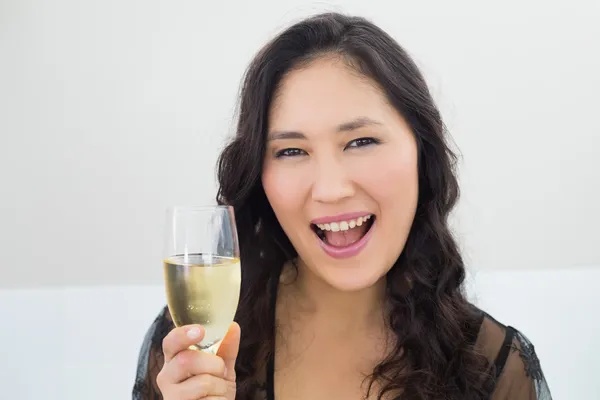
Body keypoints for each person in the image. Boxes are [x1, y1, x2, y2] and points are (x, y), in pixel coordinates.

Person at [132, 12, 553, 400]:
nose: (331, 190)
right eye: (291, 151)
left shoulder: (494, 367)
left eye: (361, 142)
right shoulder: (191, 348)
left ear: (422, 153)